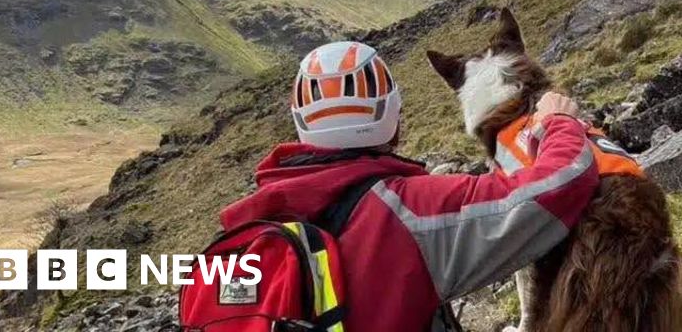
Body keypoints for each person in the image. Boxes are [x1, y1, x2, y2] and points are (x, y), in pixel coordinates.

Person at [219, 41, 600, 331]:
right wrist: (558, 122)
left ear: (301, 120)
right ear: (393, 114)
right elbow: (555, 187)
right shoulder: (412, 209)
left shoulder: (248, 226)